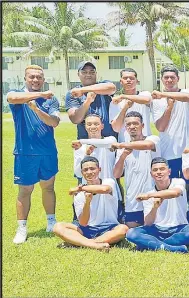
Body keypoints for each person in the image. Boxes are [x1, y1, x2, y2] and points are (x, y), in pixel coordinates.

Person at [7, 65, 60, 244]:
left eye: (39, 77)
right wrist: (38, 95)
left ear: (43, 80)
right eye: (32, 77)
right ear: (25, 78)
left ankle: (51, 222)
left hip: (47, 152)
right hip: (24, 153)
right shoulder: (18, 96)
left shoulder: (50, 100)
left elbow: (54, 122)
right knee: (25, 190)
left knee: (48, 187)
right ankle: (22, 228)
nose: (36, 80)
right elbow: (11, 98)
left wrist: (37, 108)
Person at [52, 156, 129, 251]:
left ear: (99, 169)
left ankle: (80, 242)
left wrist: (80, 188)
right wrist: (87, 202)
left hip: (109, 227)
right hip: (87, 229)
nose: (89, 172)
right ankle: (95, 244)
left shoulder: (108, 182)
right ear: (82, 173)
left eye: (92, 168)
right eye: (85, 170)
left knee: (123, 229)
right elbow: (83, 223)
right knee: (57, 227)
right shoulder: (79, 195)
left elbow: (104, 189)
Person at [126, 157, 189, 253]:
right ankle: (171, 248)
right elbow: (148, 223)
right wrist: (154, 207)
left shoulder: (178, 182)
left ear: (169, 171)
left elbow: (175, 193)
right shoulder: (149, 192)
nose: (159, 172)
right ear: (151, 174)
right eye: (155, 170)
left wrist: (149, 196)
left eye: (162, 169)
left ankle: (151, 245)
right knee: (131, 233)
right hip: (156, 230)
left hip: (178, 227)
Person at [72, 114, 123, 223]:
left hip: (109, 190)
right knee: (87, 223)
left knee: (116, 225)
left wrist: (82, 142)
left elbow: (105, 143)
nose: (93, 127)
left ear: (102, 126)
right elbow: (78, 173)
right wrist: (86, 154)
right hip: (90, 192)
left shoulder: (110, 140)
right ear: (85, 127)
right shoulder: (80, 148)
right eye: (89, 124)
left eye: (96, 124)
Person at [112, 111, 160, 228]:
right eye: (128, 124)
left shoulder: (153, 139)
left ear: (142, 126)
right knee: (132, 231)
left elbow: (147, 145)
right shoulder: (122, 149)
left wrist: (123, 145)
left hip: (151, 195)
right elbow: (117, 174)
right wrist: (123, 155)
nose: (132, 127)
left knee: (154, 228)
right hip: (132, 199)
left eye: (135, 123)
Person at [151, 65, 189, 179]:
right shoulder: (157, 101)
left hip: (188, 150)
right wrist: (169, 107)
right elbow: (160, 127)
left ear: (178, 79)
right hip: (168, 152)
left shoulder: (187, 91)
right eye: (166, 78)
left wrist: (164, 94)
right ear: (162, 80)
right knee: (172, 188)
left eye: (172, 77)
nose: (169, 80)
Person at [65, 61, 118, 139]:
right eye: (84, 72)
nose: (88, 75)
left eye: (92, 72)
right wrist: (87, 101)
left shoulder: (103, 85)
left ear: (96, 73)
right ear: (78, 74)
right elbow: (75, 119)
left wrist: (82, 90)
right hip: (86, 141)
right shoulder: (73, 93)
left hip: (108, 139)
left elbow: (112, 88)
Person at [110, 68, 153, 143]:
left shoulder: (144, 94)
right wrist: (125, 108)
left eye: (132, 78)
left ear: (137, 81)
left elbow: (147, 100)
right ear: (121, 81)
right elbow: (116, 128)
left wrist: (124, 96)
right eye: (125, 78)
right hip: (125, 143)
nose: (128, 80)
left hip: (144, 143)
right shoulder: (115, 102)